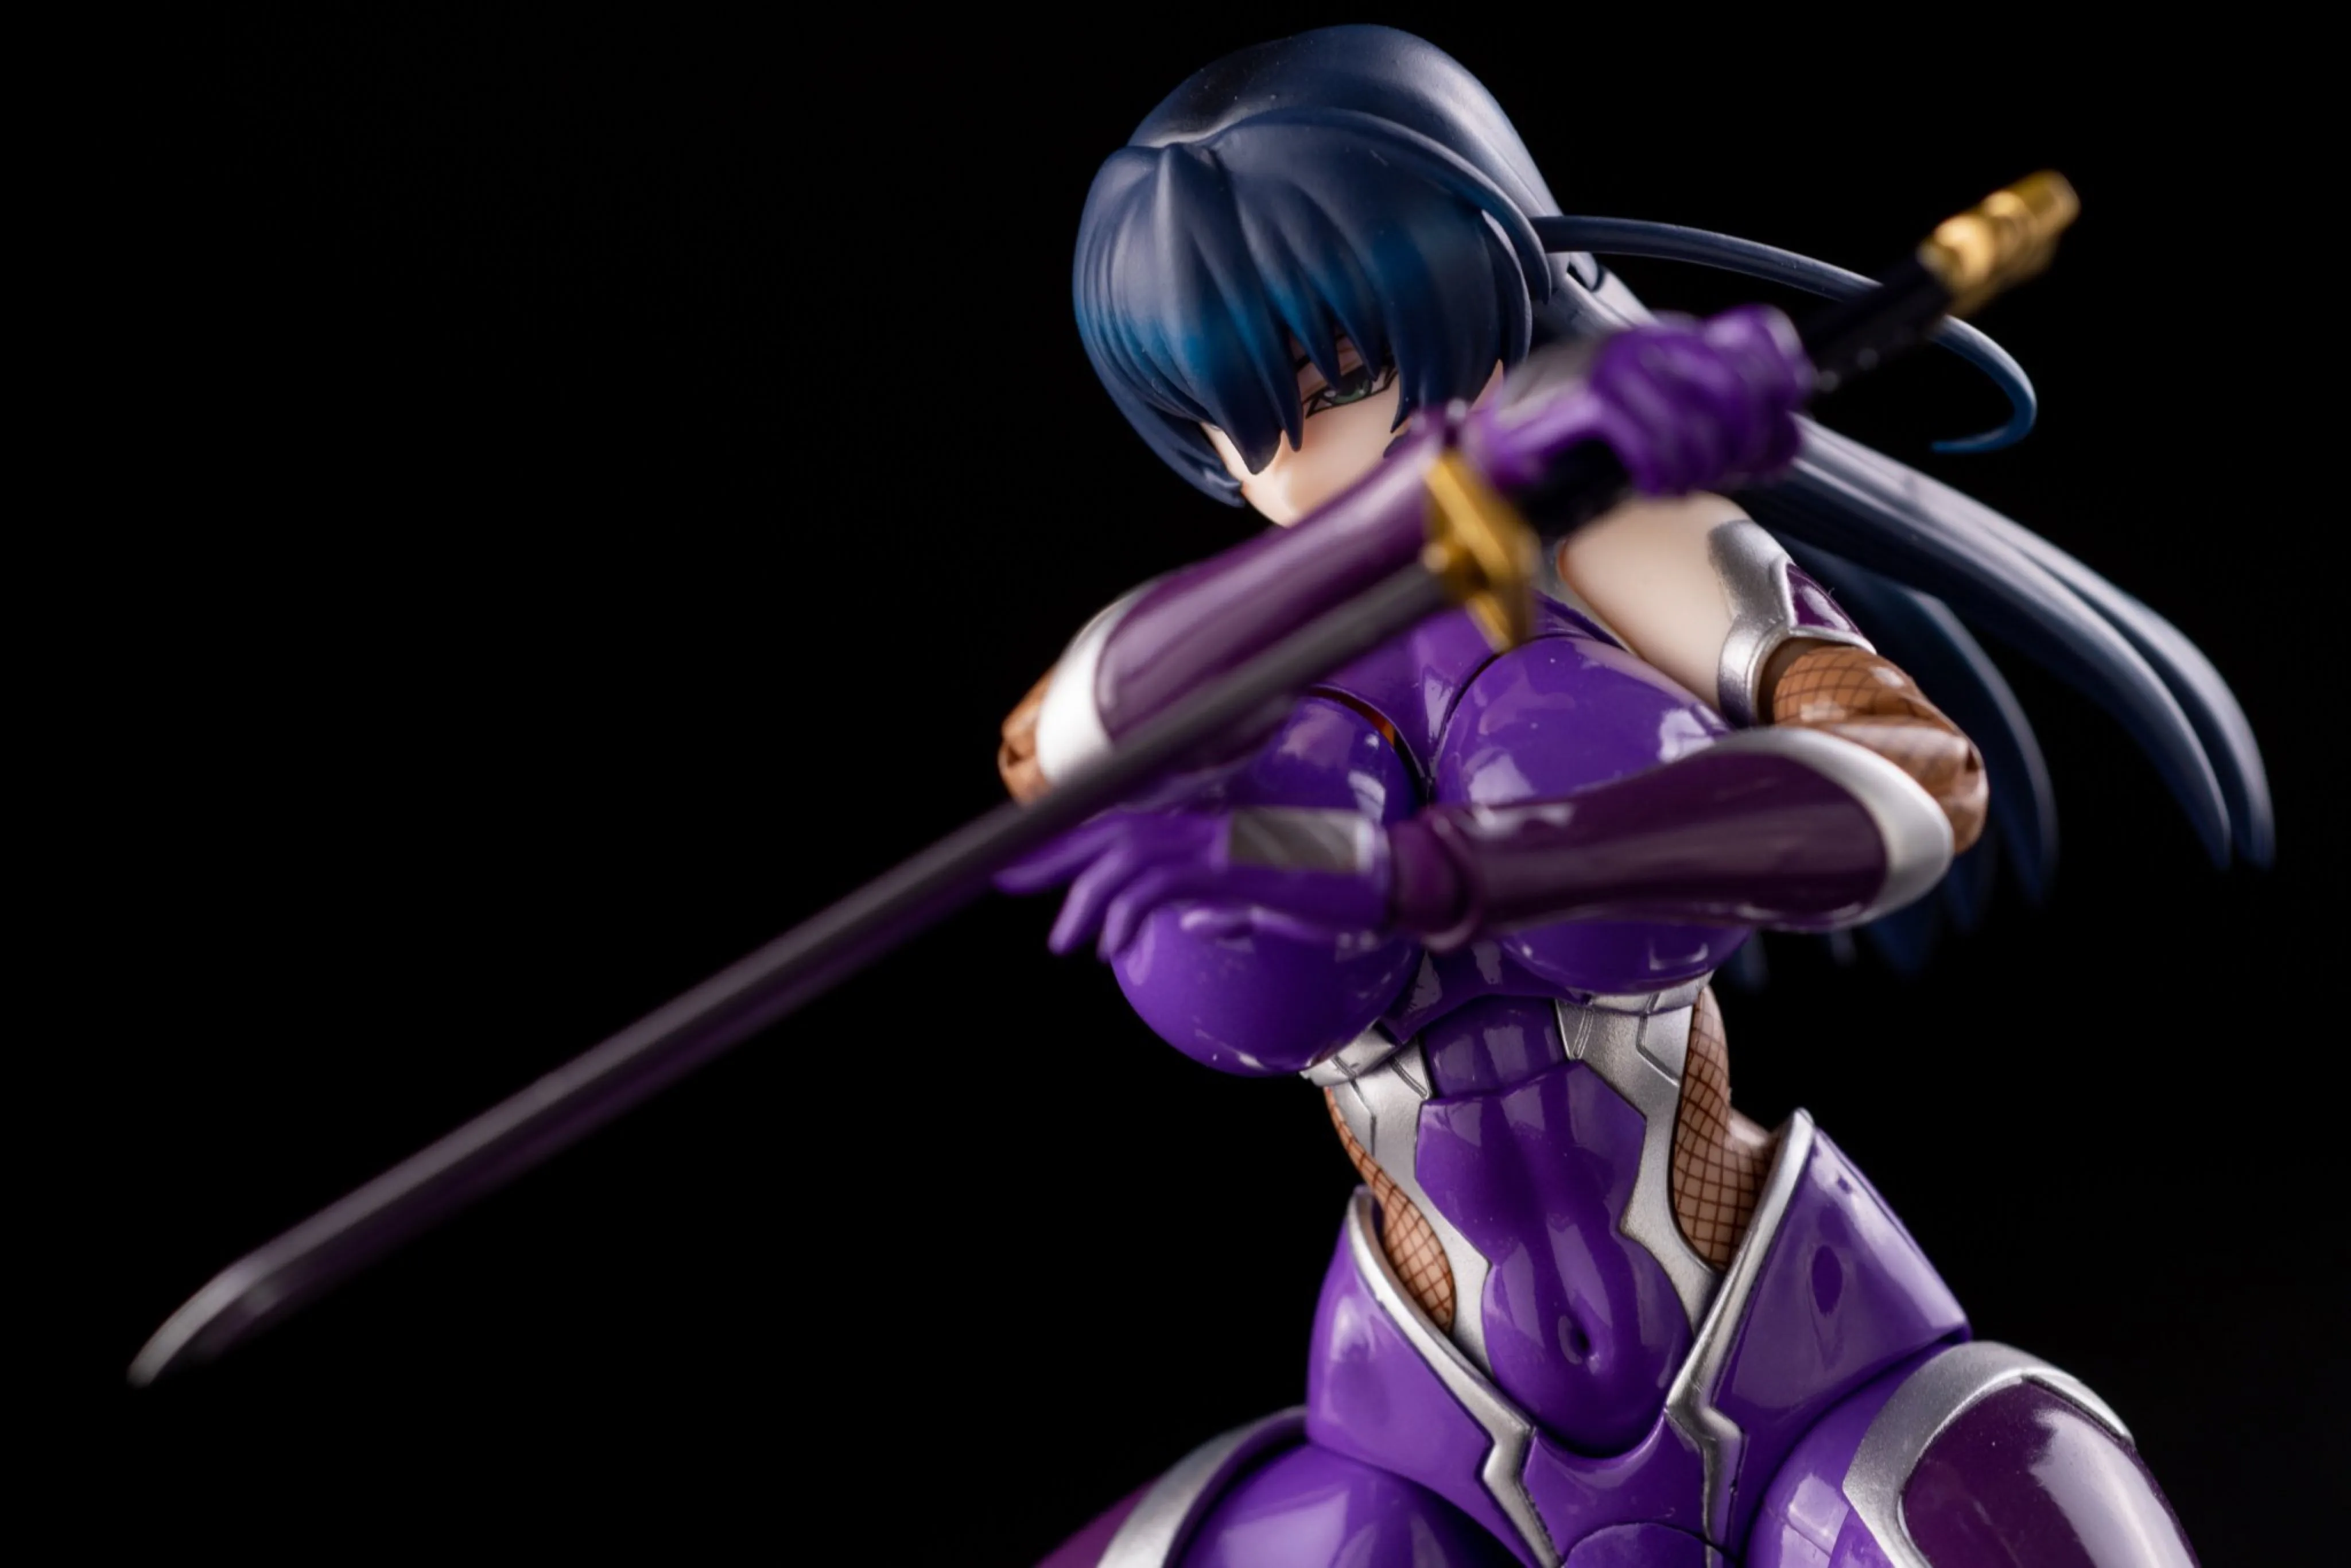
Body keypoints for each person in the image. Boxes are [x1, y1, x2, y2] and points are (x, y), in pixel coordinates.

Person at [999, 26, 2260, 1567]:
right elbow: (1052, 757)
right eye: (1233, 422)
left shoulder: (1614, 550)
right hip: (1424, 1433)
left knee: (2001, 1505)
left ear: (1483, 286)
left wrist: (1460, 873)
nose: (1297, 463)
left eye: (1345, 380)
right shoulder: (1211, 664)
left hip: (1793, 1354)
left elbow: (1922, 782)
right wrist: (1432, 500)